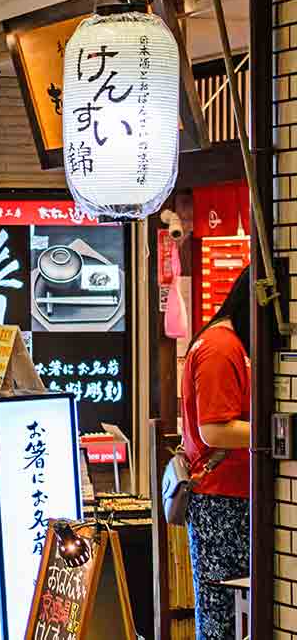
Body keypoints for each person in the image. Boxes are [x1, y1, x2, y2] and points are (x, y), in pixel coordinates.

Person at [182, 268, 251, 640]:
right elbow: (214, 429)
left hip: (230, 497)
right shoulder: (221, 348)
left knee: (227, 612)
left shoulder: (228, 344)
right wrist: (278, 432)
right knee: (222, 615)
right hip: (222, 500)